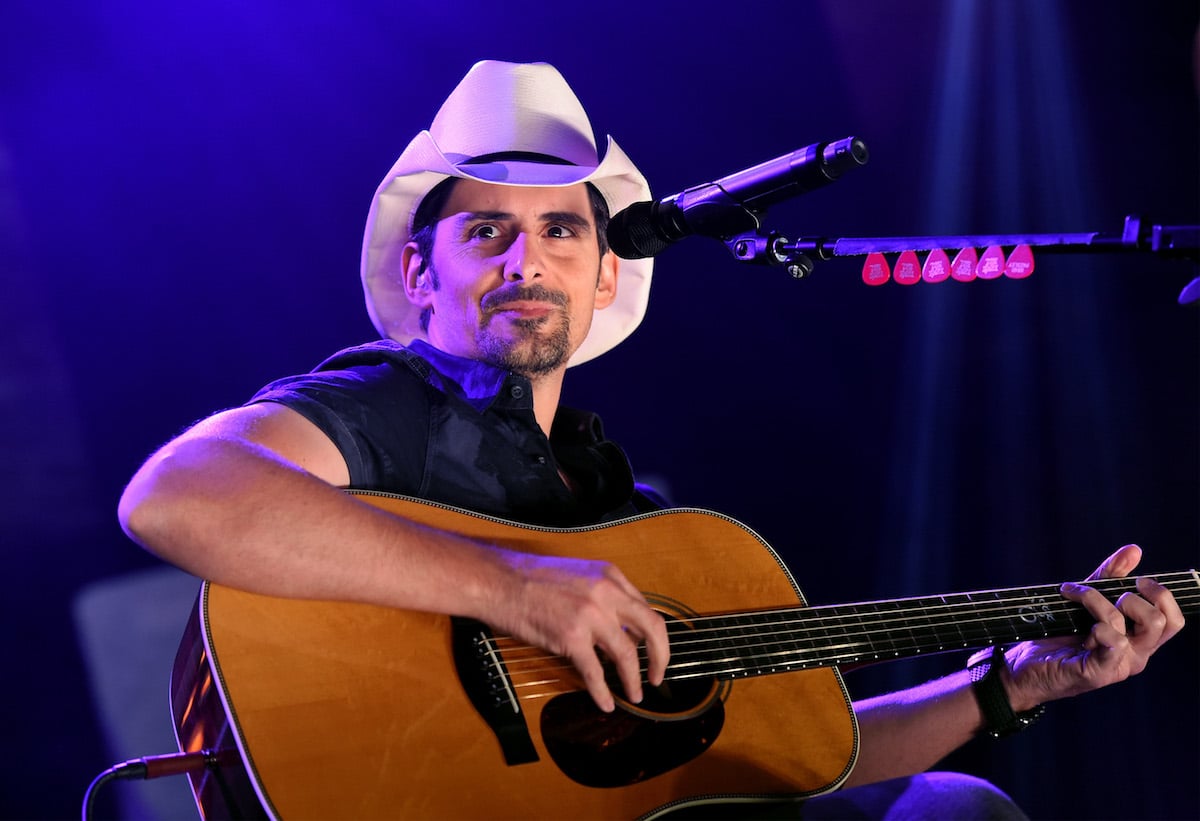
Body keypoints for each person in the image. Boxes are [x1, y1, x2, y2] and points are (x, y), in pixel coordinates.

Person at [119, 60, 1185, 818]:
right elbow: (178, 495)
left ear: (603, 271)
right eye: (485, 229)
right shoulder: (400, 400)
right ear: (419, 273)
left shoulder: (618, 504)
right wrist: (515, 588)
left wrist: (1013, 683)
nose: (523, 260)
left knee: (954, 803)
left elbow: (795, 754)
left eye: (560, 229)